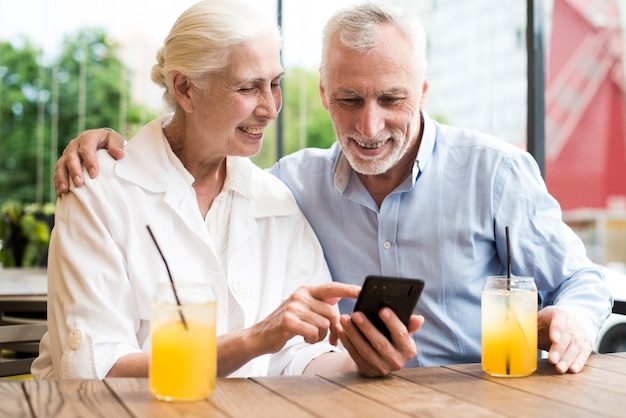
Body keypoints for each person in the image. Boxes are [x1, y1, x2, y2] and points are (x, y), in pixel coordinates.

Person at [53, 2, 612, 375]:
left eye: (391, 100)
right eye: (349, 100)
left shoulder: (493, 171)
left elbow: (581, 279)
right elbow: (91, 364)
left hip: (486, 397)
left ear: (422, 89)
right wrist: (105, 146)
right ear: (323, 94)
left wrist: (576, 321)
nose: (369, 128)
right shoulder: (290, 185)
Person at [33, 0, 427, 380]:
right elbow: (93, 370)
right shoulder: (98, 190)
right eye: (248, 88)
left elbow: (299, 357)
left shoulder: (276, 198)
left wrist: (362, 361)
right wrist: (256, 340)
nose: (271, 108)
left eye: (275, 84)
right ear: (185, 89)